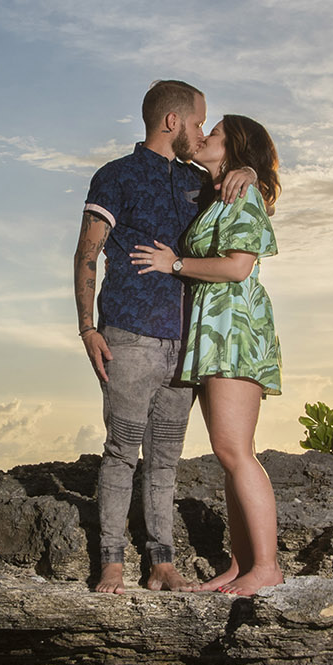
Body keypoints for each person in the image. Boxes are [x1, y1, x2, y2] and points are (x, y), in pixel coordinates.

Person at [74, 81, 254, 594]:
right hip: (128, 336)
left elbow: (251, 208)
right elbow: (87, 252)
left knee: (167, 460)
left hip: (188, 344)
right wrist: (87, 327)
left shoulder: (202, 183)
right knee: (121, 451)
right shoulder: (116, 176)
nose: (202, 132)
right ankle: (111, 560)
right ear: (172, 122)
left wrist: (250, 170)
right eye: (199, 122)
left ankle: (162, 561)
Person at [131, 115, 283, 596]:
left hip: (235, 329)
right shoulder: (220, 190)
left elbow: (238, 268)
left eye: (214, 133)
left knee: (236, 450)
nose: (204, 137)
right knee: (227, 453)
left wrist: (173, 263)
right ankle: (242, 566)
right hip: (213, 332)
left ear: (234, 148)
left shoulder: (243, 193)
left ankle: (268, 567)